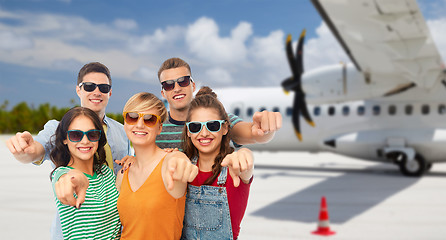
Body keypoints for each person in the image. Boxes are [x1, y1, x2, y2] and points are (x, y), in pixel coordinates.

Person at [5, 62, 132, 240]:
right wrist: (23, 150)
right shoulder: (57, 128)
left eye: (103, 87)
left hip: (117, 229)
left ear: (110, 92)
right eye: (89, 86)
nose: (96, 92)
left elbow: (126, 174)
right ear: (78, 90)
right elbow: (36, 151)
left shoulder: (122, 131)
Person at [116, 92, 198, 239]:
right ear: (125, 123)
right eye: (132, 117)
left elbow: (177, 161)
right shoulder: (123, 173)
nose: (139, 124)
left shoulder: (169, 161)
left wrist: (181, 161)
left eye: (149, 119)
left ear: (160, 128)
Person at [155, 57, 282, 150]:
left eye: (183, 81)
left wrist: (264, 130)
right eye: (168, 85)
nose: (177, 88)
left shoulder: (218, 119)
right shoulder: (154, 126)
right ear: (163, 92)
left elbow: (250, 134)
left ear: (193, 86)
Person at [181, 86, 254, 240]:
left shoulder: (234, 169)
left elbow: (246, 166)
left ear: (225, 128)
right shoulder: (184, 167)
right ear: (188, 131)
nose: (204, 133)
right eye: (195, 127)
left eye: (212, 125)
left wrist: (245, 154)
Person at [50, 107, 121, 240]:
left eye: (92, 134)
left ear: (99, 138)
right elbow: (67, 179)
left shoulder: (107, 173)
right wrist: (75, 179)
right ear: (65, 139)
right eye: (76, 135)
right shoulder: (62, 173)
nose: (85, 141)